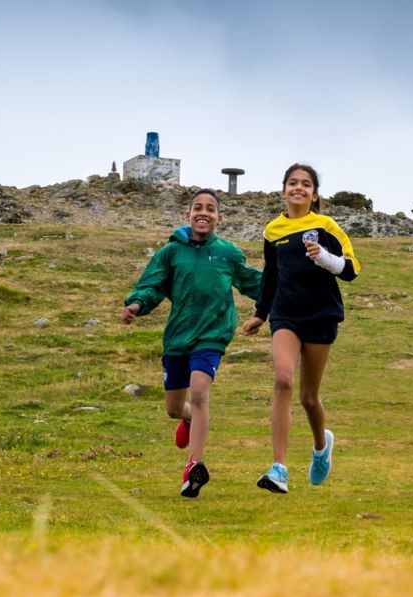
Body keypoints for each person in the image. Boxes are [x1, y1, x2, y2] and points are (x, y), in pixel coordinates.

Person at [121, 188, 262, 498]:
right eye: (198, 207)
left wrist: (282, 298)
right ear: (188, 215)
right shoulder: (171, 253)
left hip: (212, 335)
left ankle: (193, 466)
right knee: (175, 408)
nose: (204, 212)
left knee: (199, 392)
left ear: (218, 218)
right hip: (178, 336)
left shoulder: (229, 253)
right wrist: (136, 304)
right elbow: (152, 284)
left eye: (210, 209)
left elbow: (255, 283)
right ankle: (186, 419)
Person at [242, 163, 360, 494]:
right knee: (282, 379)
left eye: (305, 184)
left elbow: (350, 270)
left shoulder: (326, 226)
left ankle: (321, 448)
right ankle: (279, 468)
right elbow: (270, 276)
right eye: (292, 183)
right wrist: (261, 314)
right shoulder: (272, 231)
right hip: (285, 315)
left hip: (321, 316)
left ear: (314, 193)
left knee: (309, 398)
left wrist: (324, 257)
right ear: (283, 190)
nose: (298, 188)